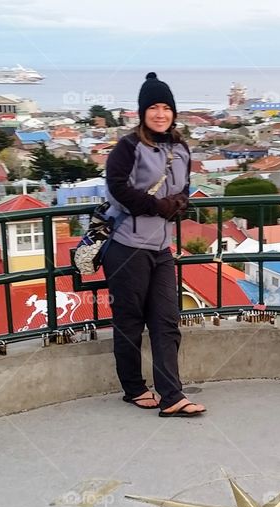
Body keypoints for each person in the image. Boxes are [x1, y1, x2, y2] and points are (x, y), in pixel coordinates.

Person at [100, 72, 206, 418]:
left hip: (161, 248)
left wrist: (178, 204)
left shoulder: (180, 147)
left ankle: (172, 394)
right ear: (142, 112)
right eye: (153, 107)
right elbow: (117, 187)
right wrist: (154, 206)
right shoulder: (128, 147)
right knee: (130, 321)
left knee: (166, 320)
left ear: (174, 112)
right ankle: (133, 388)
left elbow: (185, 188)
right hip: (127, 245)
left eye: (166, 107)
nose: (160, 114)